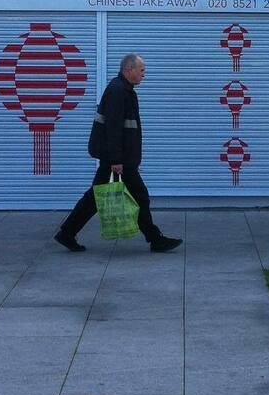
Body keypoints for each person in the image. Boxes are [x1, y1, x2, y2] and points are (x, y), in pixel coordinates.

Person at [54, 53, 182, 253]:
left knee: (95, 198)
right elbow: (113, 129)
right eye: (141, 70)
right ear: (128, 70)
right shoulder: (118, 91)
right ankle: (155, 239)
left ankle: (67, 232)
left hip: (120, 158)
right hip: (117, 159)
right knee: (140, 196)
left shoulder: (125, 90)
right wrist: (116, 159)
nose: (143, 75)